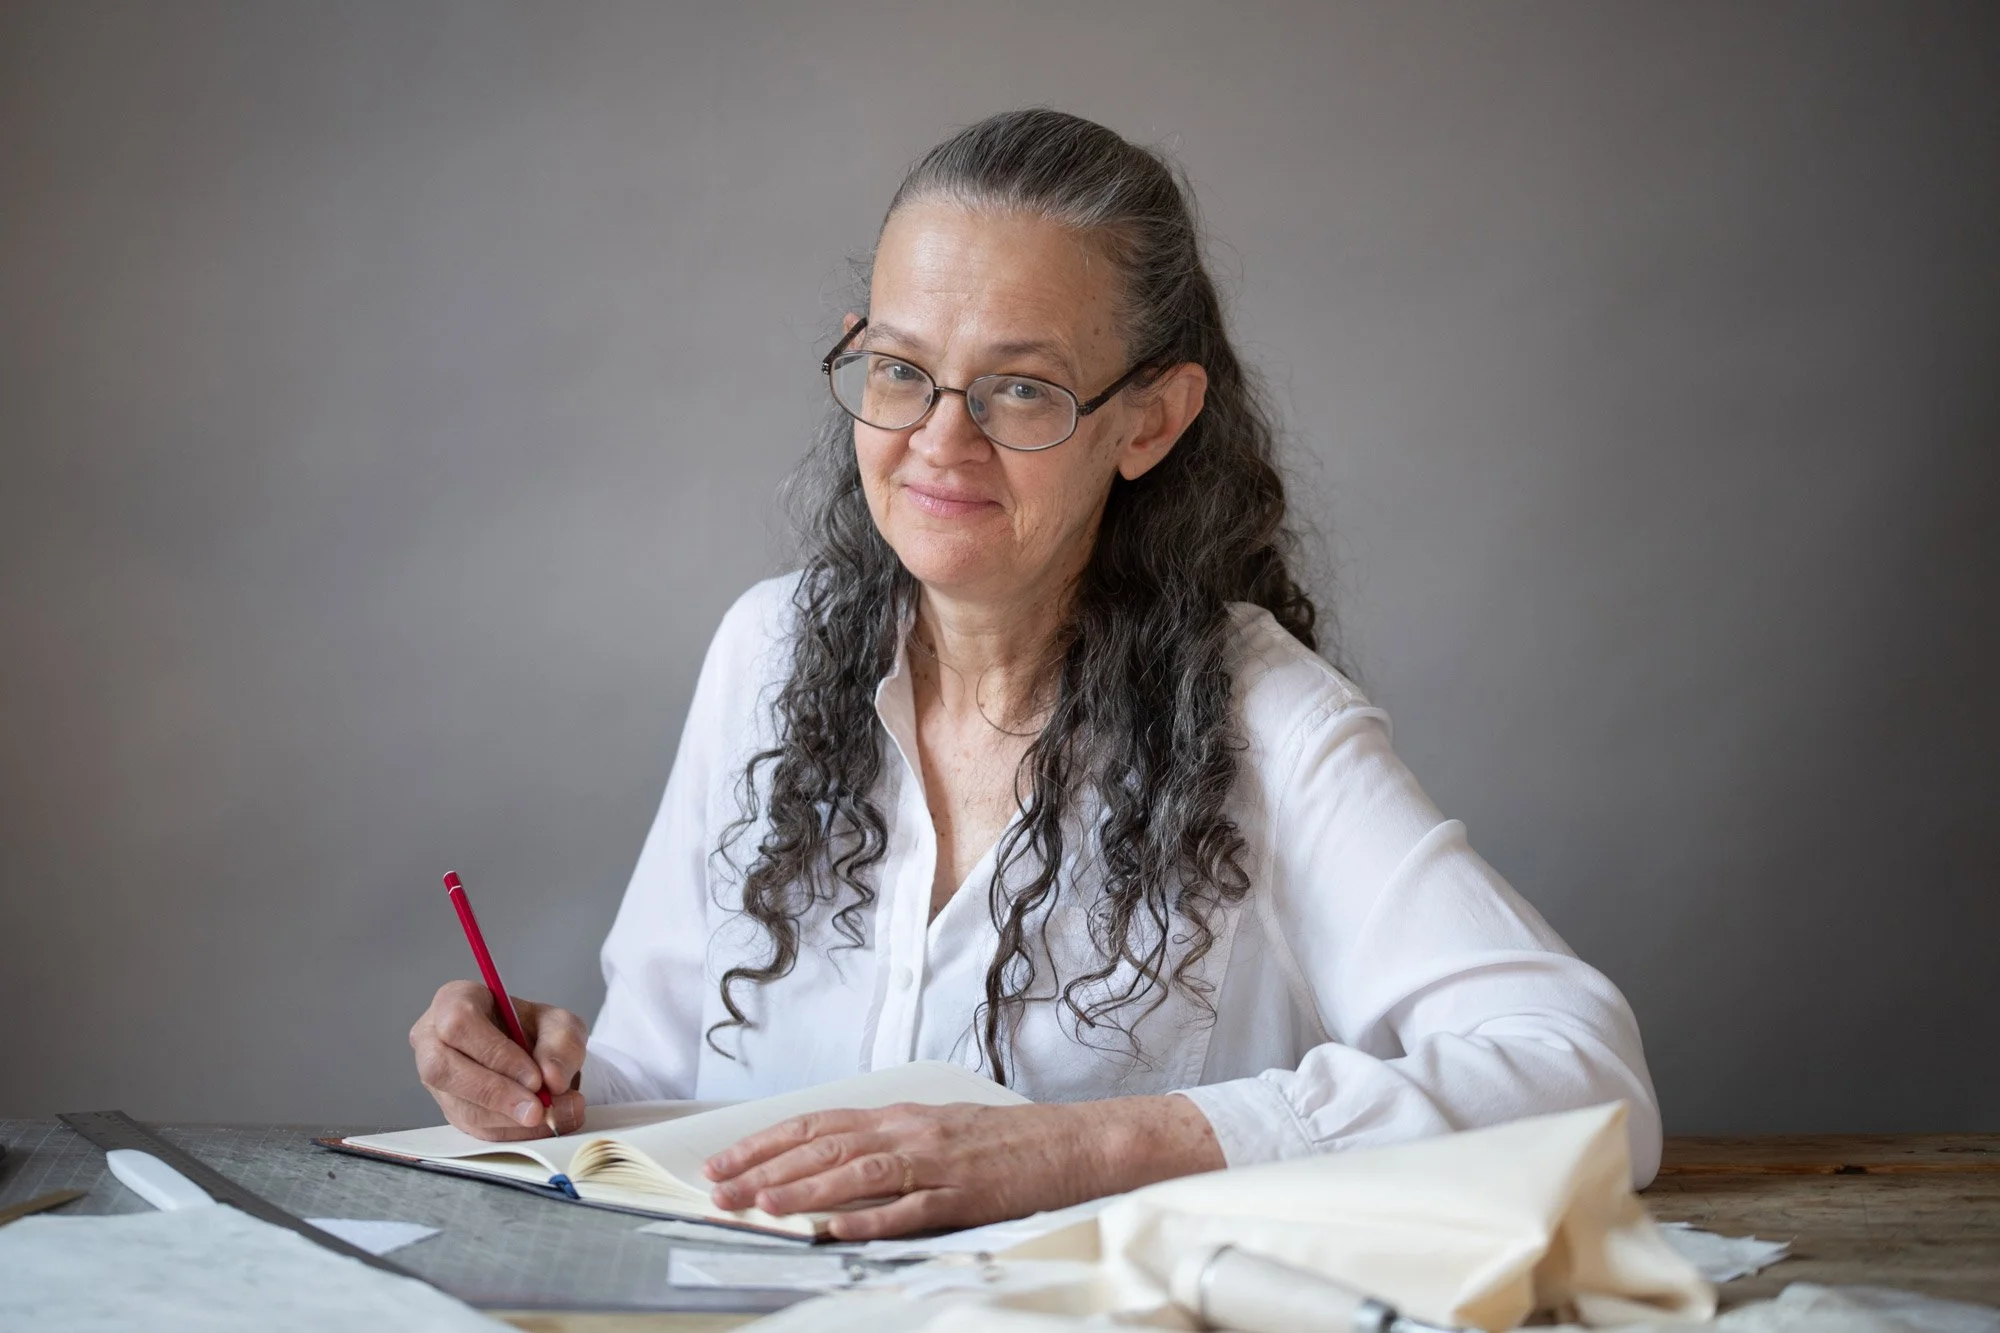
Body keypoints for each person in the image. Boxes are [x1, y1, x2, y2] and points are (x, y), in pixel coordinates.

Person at [408, 108, 1661, 1241]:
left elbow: (1587, 1078)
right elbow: (653, 1084)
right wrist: (545, 1085)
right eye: (900, 369)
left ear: (1151, 421)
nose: (936, 442)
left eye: (1019, 389)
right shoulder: (763, 649)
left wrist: (1084, 1147)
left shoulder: (1264, 717)